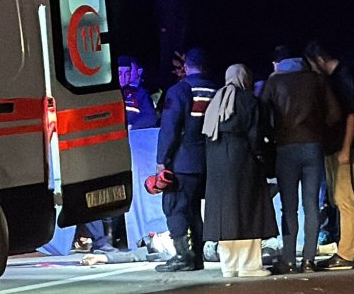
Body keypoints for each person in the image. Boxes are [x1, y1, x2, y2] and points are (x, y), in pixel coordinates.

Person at [261, 46, 341, 273]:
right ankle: (309, 260)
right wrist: (317, 129)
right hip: (313, 147)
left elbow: (262, 113)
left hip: (285, 148)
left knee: (289, 208)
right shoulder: (316, 80)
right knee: (312, 204)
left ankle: (288, 260)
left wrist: (273, 134)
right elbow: (335, 114)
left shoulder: (274, 82)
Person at [201, 64, 277, 277]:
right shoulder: (248, 100)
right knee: (249, 211)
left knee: (224, 214)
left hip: (216, 163)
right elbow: (255, 135)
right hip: (242, 160)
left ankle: (229, 266)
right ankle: (249, 266)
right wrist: (262, 157)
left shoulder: (216, 101)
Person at [154, 48, 217, 272]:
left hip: (183, 161)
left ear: (186, 66)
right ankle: (197, 257)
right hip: (208, 161)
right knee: (193, 211)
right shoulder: (216, 90)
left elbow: (170, 128)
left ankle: (183, 256)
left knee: (175, 208)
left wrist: (162, 159)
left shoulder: (179, 90)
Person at [306, 41, 354, 270]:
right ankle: (343, 250)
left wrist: (345, 149)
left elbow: (353, 115)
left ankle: (346, 254)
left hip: (344, 148)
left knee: (345, 198)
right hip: (335, 146)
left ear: (319, 60)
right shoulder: (337, 77)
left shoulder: (345, 76)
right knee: (339, 199)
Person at [155, 0, 187, 89]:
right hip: (165, 32)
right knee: (165, 56)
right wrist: (161, 27)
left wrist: (181, 29)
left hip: (177, 32)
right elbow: (157, 14)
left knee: (178, 53)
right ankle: (164, 78)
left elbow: (183, 16)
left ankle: (177, 77)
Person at [118, 55, 159, 129]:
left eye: (126, 73)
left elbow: (150, 118)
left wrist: (131, 127)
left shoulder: (140, 93)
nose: (123, 78)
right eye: (120, 74)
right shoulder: (107, 94)